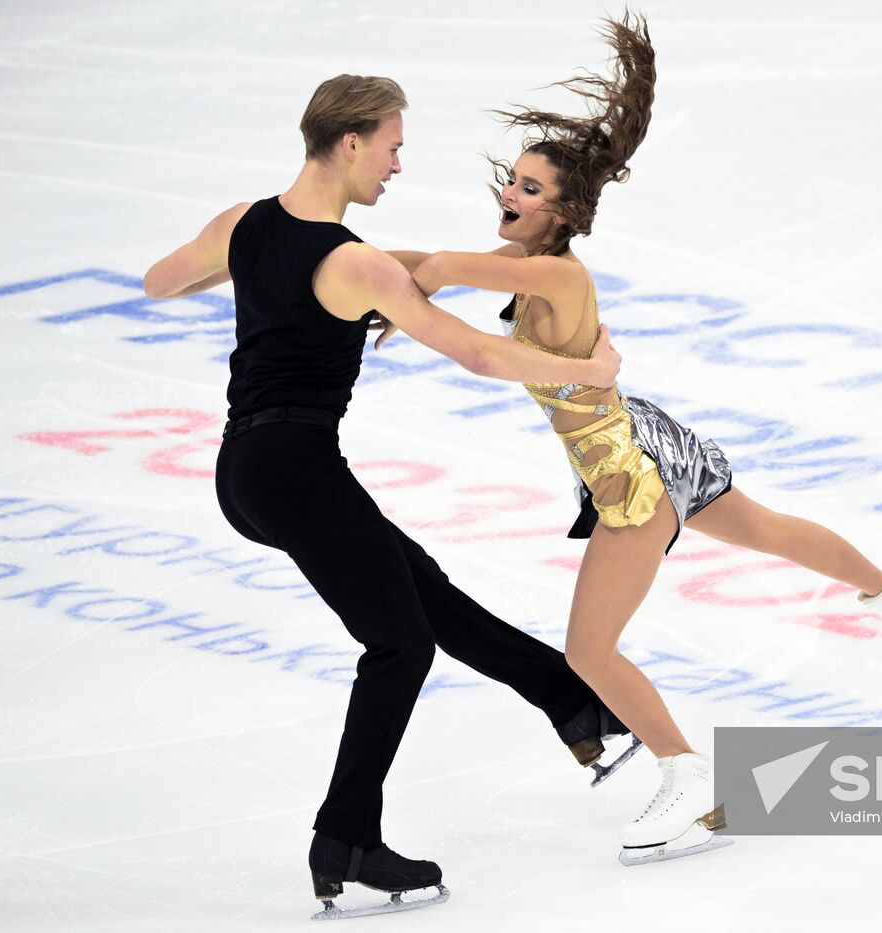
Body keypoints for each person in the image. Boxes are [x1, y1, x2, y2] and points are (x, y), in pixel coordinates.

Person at [378, 12, 882, 866]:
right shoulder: (533, 265)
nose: (511, 194)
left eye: (531, 189)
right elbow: (425, 262)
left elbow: (438, 271)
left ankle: (688, 779)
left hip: (631, 481)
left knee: (587, 649)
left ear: (568, 208)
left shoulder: (550, 270)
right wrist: (303, 252)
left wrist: (395, 283)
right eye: (513, 181)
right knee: (766, 529)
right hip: (651, 438)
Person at [141, 74, 639, 917]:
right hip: (295, 467)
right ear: (349, 144)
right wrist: (586, 369)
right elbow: (479, 353)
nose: (398, 164)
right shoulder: (355, 262)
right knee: (400, 645)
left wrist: (248, 279)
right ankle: (346, 838)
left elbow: (160, 281)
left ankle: (569, 699)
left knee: (419, 588)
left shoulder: (242, 224)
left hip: (248, 468)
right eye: (393, 145)